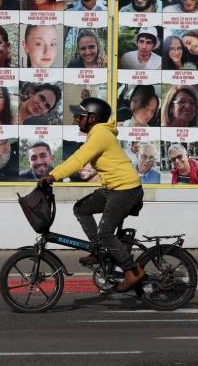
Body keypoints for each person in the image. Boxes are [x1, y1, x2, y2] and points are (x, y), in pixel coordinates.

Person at [38, 98, 146, 288]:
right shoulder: (97, 134)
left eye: (81, 116)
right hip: (113, 188)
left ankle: (133, 270)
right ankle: (100, 251)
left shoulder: (101, 135)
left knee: (105, 232)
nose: (77, 119)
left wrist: (53, 175)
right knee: (81, 208)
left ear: (92, 118)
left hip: (126, 190)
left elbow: (78, 159)